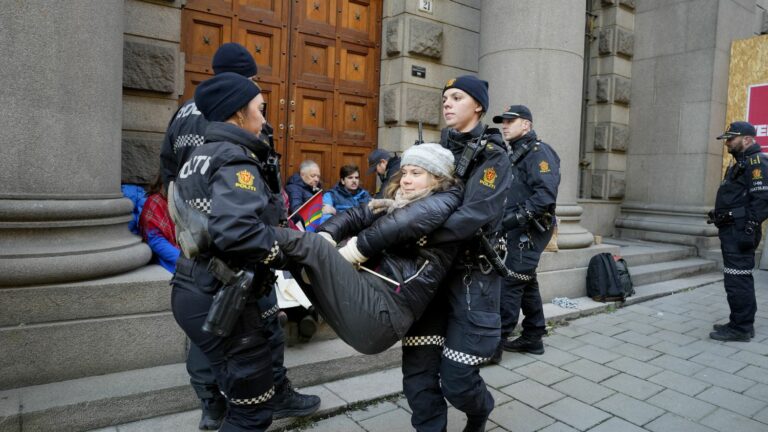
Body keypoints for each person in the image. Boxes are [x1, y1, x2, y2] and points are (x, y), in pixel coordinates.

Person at [159, 43, 319, 430]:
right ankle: (262, 395)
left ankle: (215, 405)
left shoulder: (183, 114)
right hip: (236, 261)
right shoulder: (231, 144)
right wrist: (288, 247)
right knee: (250, 334)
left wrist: (191, 227)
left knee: (213, 337)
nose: (263, 115)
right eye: (255, 92)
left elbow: (169, 178)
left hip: (200, 257)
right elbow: (239, 226)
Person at [273, 143, 461, 354]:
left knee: (311, 246)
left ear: (438, 178)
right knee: (287, 257)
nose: (406, 179)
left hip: (384, 314)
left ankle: (244, 231)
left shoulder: (442, 202)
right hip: (369, 297)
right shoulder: (399, 200)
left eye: (416, 173)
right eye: (405, 172)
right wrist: (327, 234)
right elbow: (358, 214)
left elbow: (400, 223)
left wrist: (350, 252)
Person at [401, 76, 511, 432]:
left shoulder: (494, 156)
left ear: (477, 106)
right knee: (418, 371)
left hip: (469, 276)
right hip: (430, 274)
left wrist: (416, 235)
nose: (447, 103)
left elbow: (472, 216)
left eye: (457, 97)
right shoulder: (439, 148)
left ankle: (479, 411)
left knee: (459, 378)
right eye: (445, 97)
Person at [491, 105, 560, 360]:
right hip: (519, 230)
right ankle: (534, 336)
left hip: (529, 231)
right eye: (503, 122)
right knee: (525, 280)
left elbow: (545, 196)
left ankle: (494, 346)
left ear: (526, 125)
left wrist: (512, 220)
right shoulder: (517, 153)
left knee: (510, 282)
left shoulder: (539, 153)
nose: (504, 125)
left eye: (511, 121)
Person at [708, 121, 768, 342]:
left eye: (731, 139)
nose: (727, 143)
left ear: (747, 139)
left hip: (740, 231)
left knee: (738, 279)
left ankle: (741, 328)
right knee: (736, 278)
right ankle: (739, 321)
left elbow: (762, 200)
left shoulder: (757, 162)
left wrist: (749, 228)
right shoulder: (739, 163)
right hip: (731, 229)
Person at [139, 174, 180, 273]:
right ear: (163, 185)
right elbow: (155, 240)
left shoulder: (181, 201)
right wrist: (181, 259)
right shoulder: (154, 202)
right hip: (165, 258)